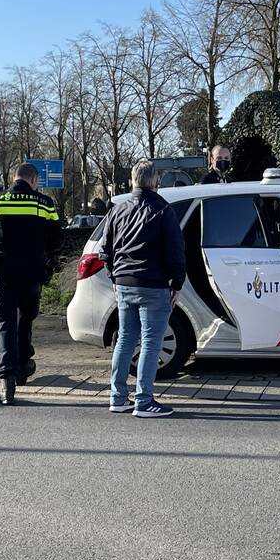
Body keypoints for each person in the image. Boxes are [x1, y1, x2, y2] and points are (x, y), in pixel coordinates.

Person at [0, 163, 63, 405]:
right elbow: (57, 239)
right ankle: (23, 365)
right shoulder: (44, 203)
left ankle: (7, 379)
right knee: (25, 319)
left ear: (15, 178)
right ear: (33, 180)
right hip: (33, 273)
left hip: (3, 273)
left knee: (5, 323)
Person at [102, 160, 186, 418]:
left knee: (125, 340)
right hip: (153, 285)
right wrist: (177, 283)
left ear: (133, 181)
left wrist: (114, 276)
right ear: (154, 182)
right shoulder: (163, 210)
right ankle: (144, 400)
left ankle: (118, 397)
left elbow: (105, 249)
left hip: (124, 284)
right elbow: (175, 251)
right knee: (151, 342)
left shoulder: (118, 210)